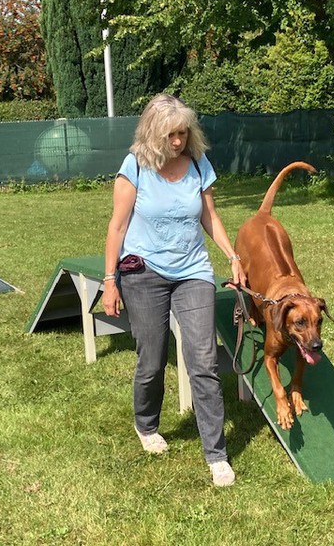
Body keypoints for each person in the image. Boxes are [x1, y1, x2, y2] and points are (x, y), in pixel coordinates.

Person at [102, 94, 246, 487]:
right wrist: (110, 281)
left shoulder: (198, 163)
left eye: (182, 133)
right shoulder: (135, 166)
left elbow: (209, 216)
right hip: (143, 272)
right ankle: (146, 424)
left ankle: (216, 455)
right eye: (170, 135)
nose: (178, 141)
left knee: (204, 360)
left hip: (193, 271)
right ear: (153, 132)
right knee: (152, 358)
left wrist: (232, 255)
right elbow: (117, 226)